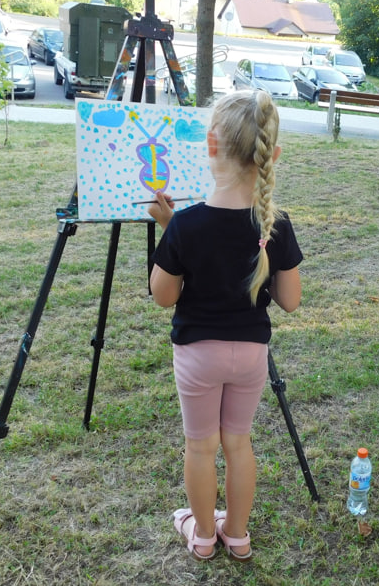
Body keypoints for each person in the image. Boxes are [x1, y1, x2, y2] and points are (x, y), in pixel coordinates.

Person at [147, 90, 302, 560]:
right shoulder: (275, 225)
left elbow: (163, 296)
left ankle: (201, 536)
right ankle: (236, 535)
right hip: (251, 356)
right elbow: (290, 301)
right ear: (271, 155)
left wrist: (169, 227)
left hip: (197, 354)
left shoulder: (185, 226)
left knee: (201, 446)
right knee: (238, 442)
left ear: (211, 145)